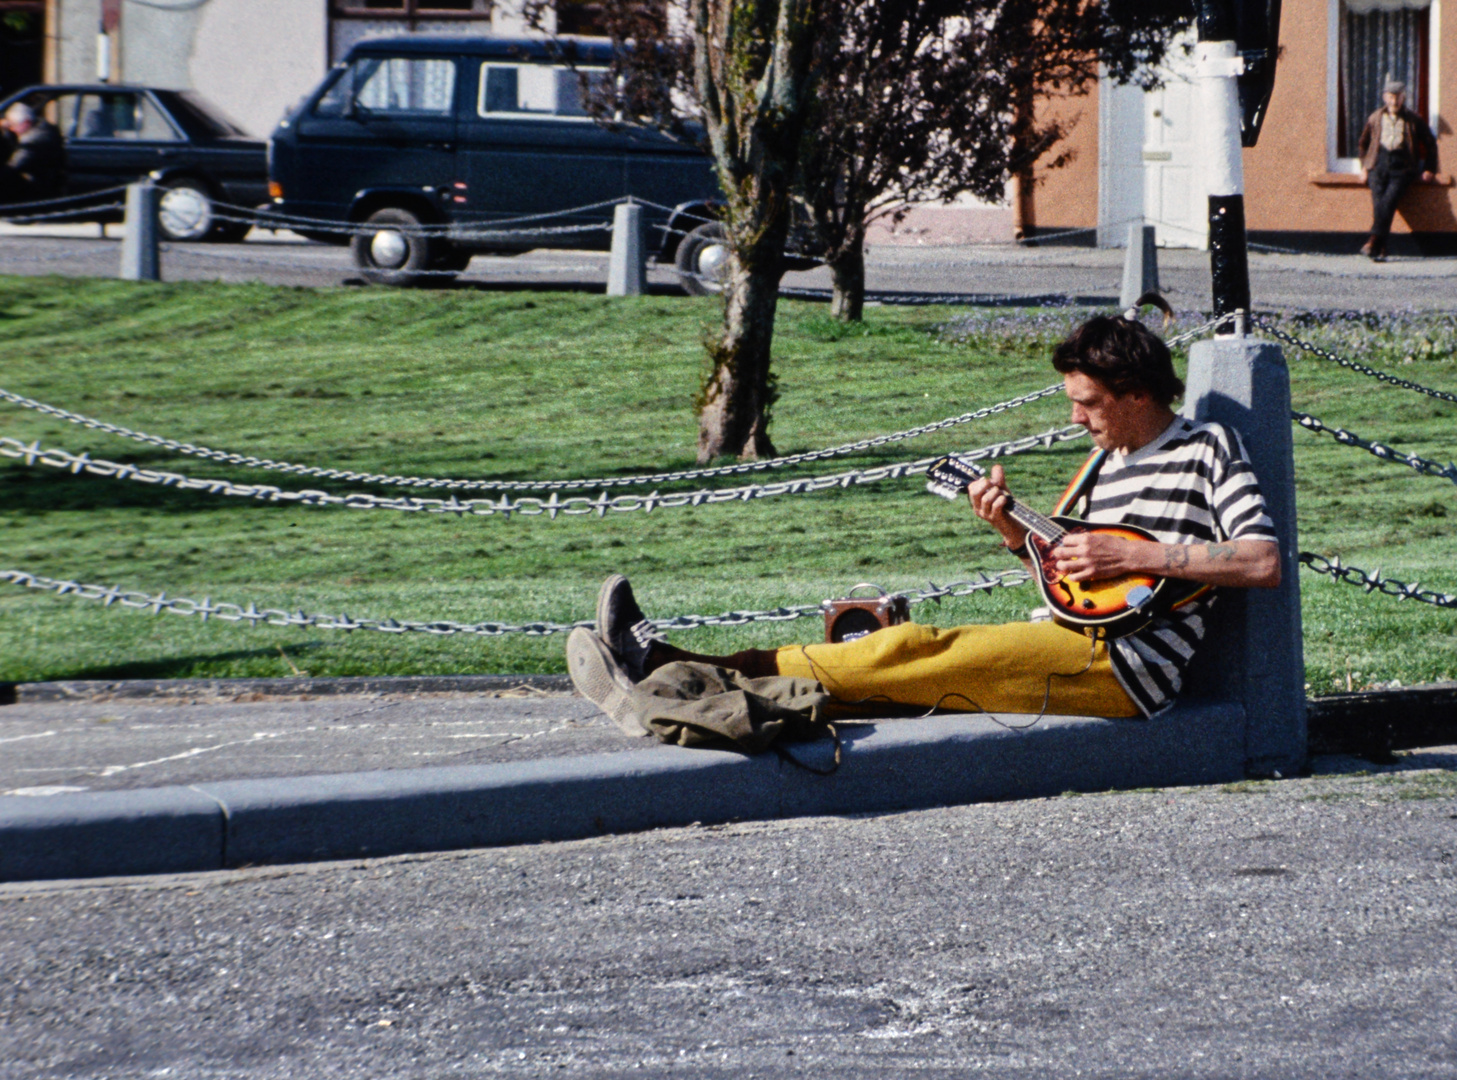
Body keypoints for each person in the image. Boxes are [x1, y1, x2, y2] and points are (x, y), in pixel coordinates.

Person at [567, 315, 1282, 730]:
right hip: (1066, 639)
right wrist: (1013, 534)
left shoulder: (1205, 446)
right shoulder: (1102, 467)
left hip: (1127, 673)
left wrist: (1140, 560)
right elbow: (1076, 577)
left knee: (908, 649)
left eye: (1087, 402)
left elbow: (1259, 561)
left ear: (1133, 394)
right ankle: (683, 688)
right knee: (898, 666)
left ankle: (669, 669)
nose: (1074, 417)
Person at [1356, 79, 1438, 262]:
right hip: (1378, 166)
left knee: (1388, 202)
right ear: (1385, 97)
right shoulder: (1375, 117)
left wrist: (1429, 168)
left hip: (1402, 169)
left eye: (1398, 97)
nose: (1394, 102)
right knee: (1380, 206)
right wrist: (1365, 167)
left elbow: (1430, 143)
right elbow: (1363, 144)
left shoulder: (1413, 119)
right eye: (1391, 97)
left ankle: (1372, 241)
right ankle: (1382, 247)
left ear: (1404, 98)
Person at [0, 102, 65, 205]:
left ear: (26, 123)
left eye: (13, 126)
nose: (12, 129)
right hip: (48, 181)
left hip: (38, 187)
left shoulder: (33, 141)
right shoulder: (43, 128)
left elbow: (13, 167)